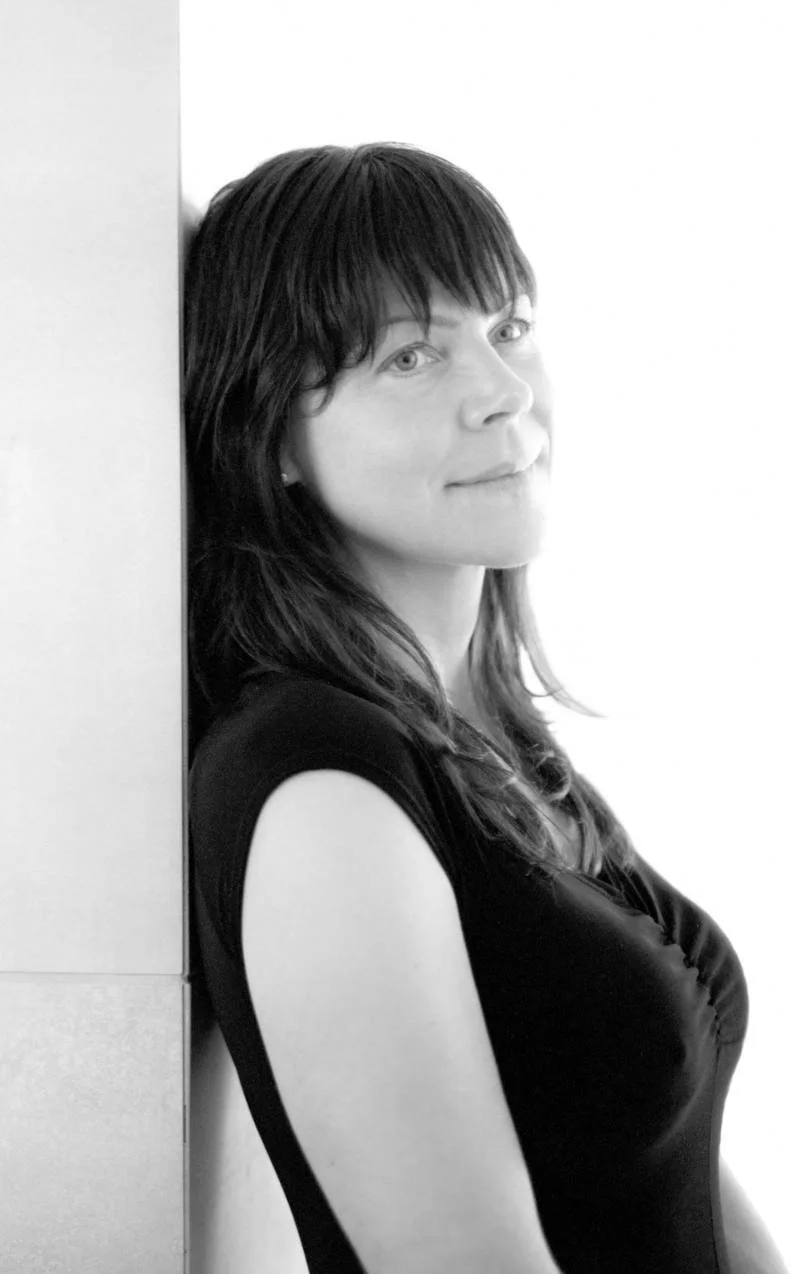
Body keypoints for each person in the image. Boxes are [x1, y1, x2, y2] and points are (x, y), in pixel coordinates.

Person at [183, 142, 787, 1274]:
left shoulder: (489, 740)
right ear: (272, 440)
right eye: (411, 355)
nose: (502, 391)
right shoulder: (319, 782)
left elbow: (675, 1166)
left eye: (508, 327)